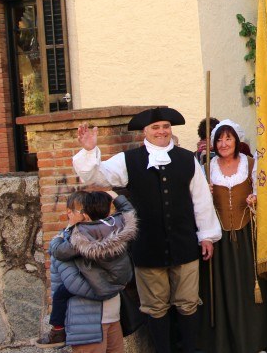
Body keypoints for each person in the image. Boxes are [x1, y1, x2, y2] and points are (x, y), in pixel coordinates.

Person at [73, 107, 222, 353]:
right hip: (148, 247)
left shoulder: (187, 159)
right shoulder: (128, 160)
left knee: (188, 303)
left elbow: (202, 200)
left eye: (165, 127)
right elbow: (96, 178)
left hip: (185, 244)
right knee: (155, 306)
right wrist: (90, 151)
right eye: (156, 127)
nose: (161, 131)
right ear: (145, 131)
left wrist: (206, 235)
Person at [198, 120, 267, 353]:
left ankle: (255, 340)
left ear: (237, 141)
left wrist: (255, 198)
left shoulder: (250, 164)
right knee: (224, 290)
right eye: (219, 139)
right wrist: (205, 192)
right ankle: (226, 341)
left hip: (248, 236)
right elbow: (197, 203)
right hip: (219, 240)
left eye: (228, 138)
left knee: (252, 288)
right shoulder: (207, 167)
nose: (223, 143)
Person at [36, 190, 137, 352]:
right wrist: (113, 288)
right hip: (88, 323)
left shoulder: (75, 241)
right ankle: (57, 330)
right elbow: (129, 213)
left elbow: (69, 277)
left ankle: (57, 330)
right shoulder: (116, 228)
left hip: (111, 318)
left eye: (76, 210)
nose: (69, 213)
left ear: (86, 215)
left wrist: (107, 288)